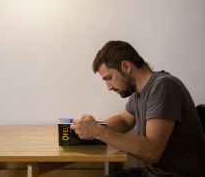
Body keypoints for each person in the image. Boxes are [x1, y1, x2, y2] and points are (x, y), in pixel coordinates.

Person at [70, 40, 205, 177]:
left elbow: (152, 151)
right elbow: (124, 120)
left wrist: (99, 132)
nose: (109, 87)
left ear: (126, 66)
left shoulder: (163, 86)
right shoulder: (139, 92)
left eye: (109, 78)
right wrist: (92, 128)